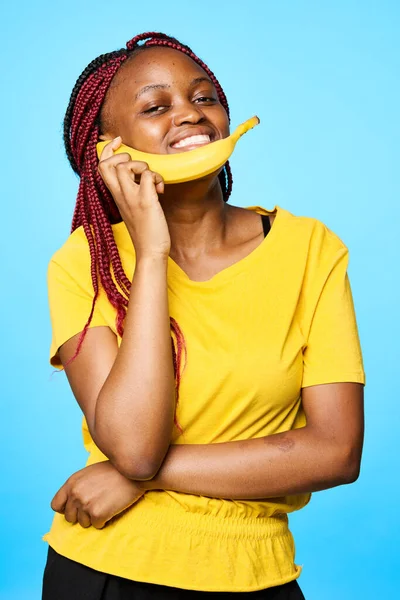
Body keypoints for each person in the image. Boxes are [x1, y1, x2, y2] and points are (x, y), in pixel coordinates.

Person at [42, 31, 365, 600]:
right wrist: (151, 255)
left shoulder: (311, 250)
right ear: (106, 146)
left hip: (257, 573)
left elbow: (336, 451)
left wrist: (136, 480)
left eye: (204, 97)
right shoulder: (83, 263)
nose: (191, 115)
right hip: (108, 570)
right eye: (156, 107)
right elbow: (136, 444)